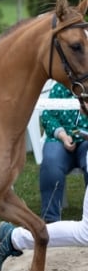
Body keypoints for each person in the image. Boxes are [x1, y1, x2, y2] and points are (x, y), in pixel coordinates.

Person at [38, 82, 88, 223]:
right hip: (61, 138)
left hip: (86, 140)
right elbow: (48, 115)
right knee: (51, 162)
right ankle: (50, 219)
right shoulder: (60, 87)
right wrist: (62, 135)